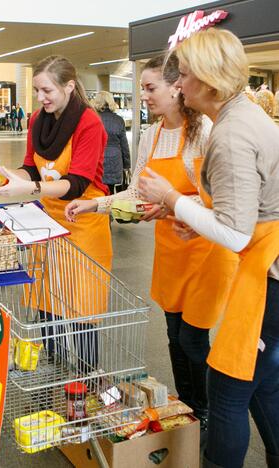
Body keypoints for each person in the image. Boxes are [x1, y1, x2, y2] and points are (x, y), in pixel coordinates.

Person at [67, 54, 238, 432]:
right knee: (174, 336)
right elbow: (133, 191)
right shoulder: (152, 134)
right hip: (171, 251)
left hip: (208, 250)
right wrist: (95, 203)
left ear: (178, 88)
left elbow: (221, 199)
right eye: (141, 88)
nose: (142, 95)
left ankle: (209, 413)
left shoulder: (207, 132)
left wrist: (171, 202)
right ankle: (190, 411)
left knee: (193, 339)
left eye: (149, 87)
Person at [138, 29, 279, 468]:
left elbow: (236, 232)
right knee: (265, 384)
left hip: (265, 274)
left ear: (209, 79)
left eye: (184, 75)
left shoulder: (231, 134)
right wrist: (191, 211)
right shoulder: (244, 118)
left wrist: (173, 199)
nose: (177, 84)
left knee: (228, 387)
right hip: (262, 264)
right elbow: (243, 202)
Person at [0, 55, 110, 367]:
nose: (41, 98)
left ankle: (84, 379)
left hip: (82, 221)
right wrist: (8, 177)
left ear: (69, 86)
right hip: (47, 223)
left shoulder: (89, 123)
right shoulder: (36, 120)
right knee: (48, 304)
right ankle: (55, 368)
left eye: (47, 91)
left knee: (81, 309)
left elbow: (78, 183)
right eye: (37, 91)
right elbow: (31, 167)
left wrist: (29, 188)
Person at [92, 91, 131, 194]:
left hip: (97, 159)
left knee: (98, 190)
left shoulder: (93, 119)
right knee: (113, 190)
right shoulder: (119, 120)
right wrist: (127, 165)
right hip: (115, 160)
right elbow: (124, 145)